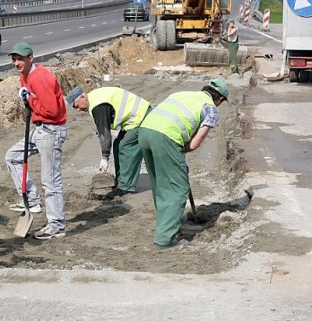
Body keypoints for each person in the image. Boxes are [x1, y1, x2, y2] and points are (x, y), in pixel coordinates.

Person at [138, 79, 229, 251]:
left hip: (144, 132)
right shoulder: (211, 109)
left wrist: (176, 152)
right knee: (178, 188)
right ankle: (165, 240)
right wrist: (177, 151)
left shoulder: (181, 94)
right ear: (220, 100)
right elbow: (194, 144)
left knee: (161, 184)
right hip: (166, 137)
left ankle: (169, 222)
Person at [4, 42, 68, 240]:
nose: (16, 63)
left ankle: (56, 225)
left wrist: (29, 100)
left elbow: (52, 111)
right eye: (14, 59)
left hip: (51, 129)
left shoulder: (40, 77)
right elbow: (36, 104)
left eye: (20, 59)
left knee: (50, 180)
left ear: (31, 58)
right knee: (12, 157)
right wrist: (28, 100)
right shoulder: (26, 76)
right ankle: (31, 200)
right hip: (40, 128)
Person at [65, 86, 151, 199]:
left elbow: (104, 134)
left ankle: (126, 186)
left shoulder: (98, 106)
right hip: (135, 119)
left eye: (76, 106)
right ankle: (121, 182)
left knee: (126, 146)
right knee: (117, 146)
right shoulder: (95, 99)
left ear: (82, 96)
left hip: (142, 116)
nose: (77, 110)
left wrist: (105, 157)